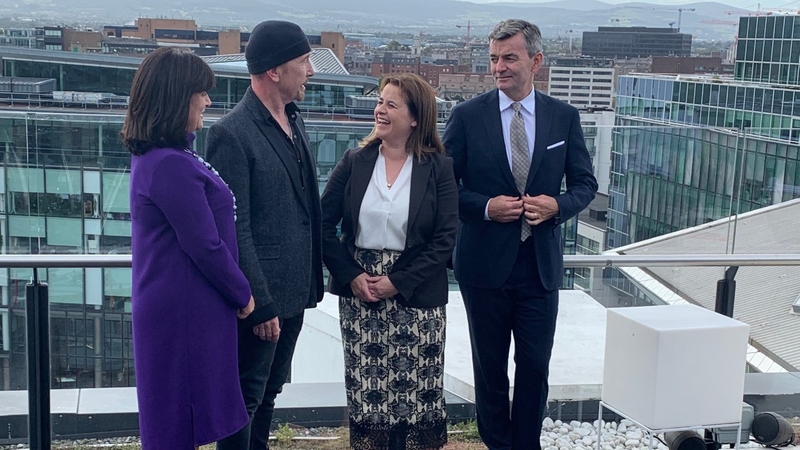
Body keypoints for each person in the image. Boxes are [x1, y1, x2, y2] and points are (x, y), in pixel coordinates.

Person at [442, 19, 598, 450]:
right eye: (494, 58)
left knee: (534, 367)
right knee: (489, 369)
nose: (499, 67)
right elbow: (444, 187)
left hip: (539, 267)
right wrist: (486, 207)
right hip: (483, 266)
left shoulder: (563, 117)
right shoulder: (467, 116)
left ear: (536, 61)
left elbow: (585, 184)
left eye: (509, 57)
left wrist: (557, 206)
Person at [124, 47, 255, 449]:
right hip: (182, 314)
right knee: (176, 426)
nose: (208, 101)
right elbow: (204, 244)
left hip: (182, 307)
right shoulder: (170, 164)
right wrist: (242, 293)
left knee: (180, 421)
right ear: (177, 96)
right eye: (201, 92)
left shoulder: (167, 156)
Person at [321, 73, 459, 450]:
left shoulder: (439, 168)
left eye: (391, 104)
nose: (380, 110)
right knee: (370, 398)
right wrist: (352, 275)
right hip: (361, 296)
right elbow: (321, 224)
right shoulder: (354, 162)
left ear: (415, 118)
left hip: (417, 297)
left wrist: (398, 281)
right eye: (380, 102)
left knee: (417, 398)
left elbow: (445, 238)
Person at [206, 20, 324, 450]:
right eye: (304, 61)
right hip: (260, 301)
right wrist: (258, 303)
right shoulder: (231, 133)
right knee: (244, 400)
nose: (311, 71)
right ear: (274, 70)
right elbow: (233, 227)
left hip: (295, 290)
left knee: (269, 393)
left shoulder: (293, 119)